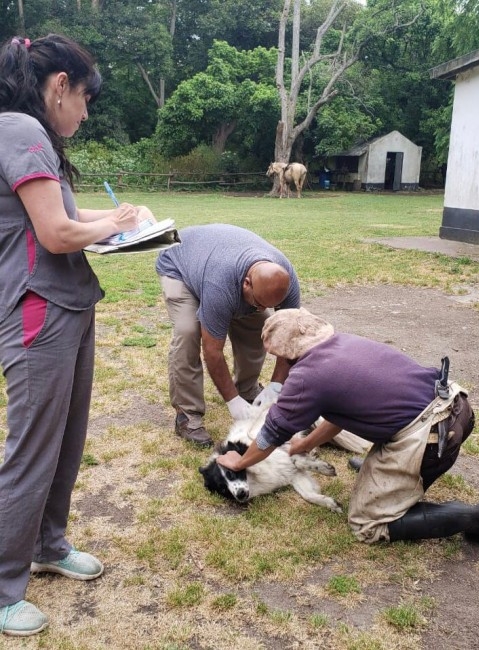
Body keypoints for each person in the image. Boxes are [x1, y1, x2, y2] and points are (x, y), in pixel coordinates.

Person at [0, 34, 155, 636]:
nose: (85, 114)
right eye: (84, 98)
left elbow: (66, 215)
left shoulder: (32, 135)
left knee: (66, 437)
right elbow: (57, 234)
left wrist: (126, 219)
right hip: (37, 308)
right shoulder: (20, 130)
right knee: (33, 446)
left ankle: (48, 544)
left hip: (68, 301)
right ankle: (5, 584)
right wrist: (108, 227)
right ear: (59, 84)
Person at [217, 308, 479, 547]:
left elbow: (271, 433)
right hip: (456, 407)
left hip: (432, 437)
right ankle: (382, 468)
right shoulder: (344, 344)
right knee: (384, 450)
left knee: (367, 524)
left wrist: (240, 460)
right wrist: (304, 445)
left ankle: (477, 517)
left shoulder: (307, 376)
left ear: (286, 352)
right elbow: (341, 416)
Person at [156, 224, 300, 446]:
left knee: (259, 323)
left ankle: (247, 387)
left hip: (214, 258)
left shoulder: (286, 279)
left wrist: (275, 388)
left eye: (270, 305)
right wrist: (232, 402)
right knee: (188, 331)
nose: (263, 308)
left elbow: (290, 338)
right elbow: (212, 351)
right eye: (259, 303)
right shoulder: (220, 285)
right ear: (247, 283)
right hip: (180, 265)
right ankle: (187, 413)